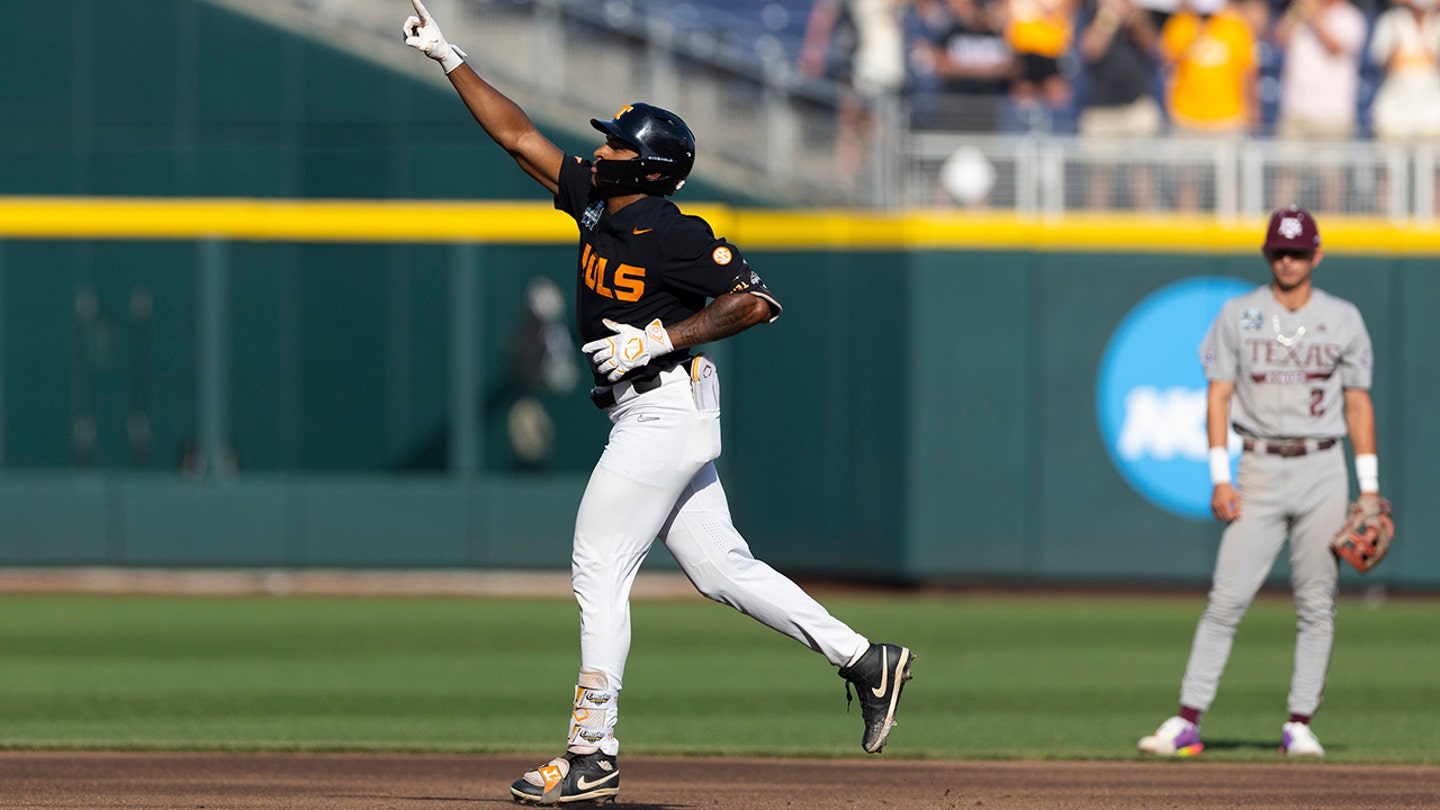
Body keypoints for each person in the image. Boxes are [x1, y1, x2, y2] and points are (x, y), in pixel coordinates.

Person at [401, 1, 915, 804]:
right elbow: (515, 135)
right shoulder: (598, 203)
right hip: (649, 409)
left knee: (598, 567)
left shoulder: (676, 233)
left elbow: (756, 303)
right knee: (721, 568)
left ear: (645, 168)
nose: (599, 147)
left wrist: (661, 338)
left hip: (662, 406)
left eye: (614, 142)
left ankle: (591, 752)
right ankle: (863, 658)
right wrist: (448, 54)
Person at [1138, 206, 1382, 760]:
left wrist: (1368, 486)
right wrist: (1220, 477)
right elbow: (1218, 396)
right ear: (1267, 255)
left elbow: (1358, 402)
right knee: (1226, 598)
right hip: (1259, 465)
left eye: (1298, 251)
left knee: (1317, 602)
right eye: (1279, 251)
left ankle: (1299, 723)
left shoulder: (1343, 317)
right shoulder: (1238, 313)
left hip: (1323, 464)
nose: (1289, 260)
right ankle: (1187, 720)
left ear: (1316, 254)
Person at [1156, 0, 1259, 211]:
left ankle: (1232, 235)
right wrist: (1194, 26)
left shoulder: (1235, 25)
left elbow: (1248, 72)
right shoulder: (1181, 24)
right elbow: (1167, 62)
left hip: (1228, 119)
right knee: (1187, 184)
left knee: (1230, 184)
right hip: (1187, 118)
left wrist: (1252, 110)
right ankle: (1187, 237)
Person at [1269, 0, 1367, 212]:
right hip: (1295, 110)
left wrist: (1314, 16)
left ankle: (1330, 228)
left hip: (1333, 114)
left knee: (1331, 177)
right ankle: (1281, 228)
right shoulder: (1300, 13)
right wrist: (1296, 13)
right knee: (1287, 172)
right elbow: (1278, 39)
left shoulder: (1350, 17)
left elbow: (1334, 47)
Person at [1075, 0, 1161, 209]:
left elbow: (1153, 48)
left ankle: (1146, 234)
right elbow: (1091, 50)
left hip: (1137, 107)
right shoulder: (1091, 10)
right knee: (1100, 176)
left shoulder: (1141, 11)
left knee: (1142, 173)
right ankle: (1096, 235)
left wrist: (1134, 18)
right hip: (1101, 111)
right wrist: (1109, 16)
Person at [1367, 0, 1440, 142]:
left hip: (1431, 106)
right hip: (1396, 107)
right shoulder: (1391, 21)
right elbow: (1378, 62)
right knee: (1392, 157)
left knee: (1431, 157)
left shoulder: (1436, 24)